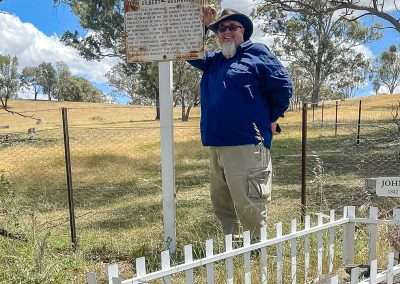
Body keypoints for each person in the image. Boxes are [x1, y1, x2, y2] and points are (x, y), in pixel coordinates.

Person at [188, 8, 293, 239]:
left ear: (243, 31)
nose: (226, 32)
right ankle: (231, 247)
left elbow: (283, 87)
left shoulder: (256, 52)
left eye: (232, 27)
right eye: (221, 28)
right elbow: (190, 52)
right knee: (221, 201)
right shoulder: (214, 60)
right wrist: (203, 26)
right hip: (216, 144)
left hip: (247, 144)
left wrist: (271, 118)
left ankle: (256, 251)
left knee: (250, 204)